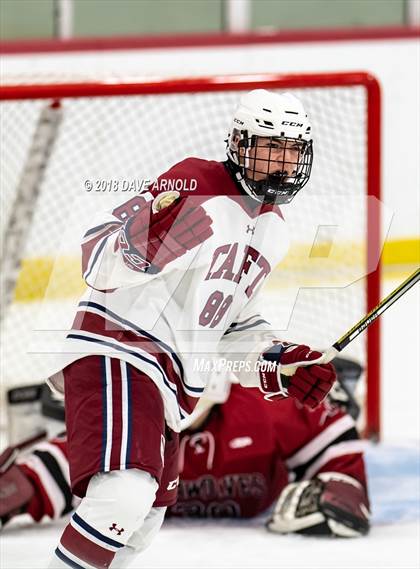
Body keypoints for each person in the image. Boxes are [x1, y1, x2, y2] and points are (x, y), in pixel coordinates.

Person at [42, 89, 338, 568]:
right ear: (239, 143)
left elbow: (233, 328)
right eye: (268, 147)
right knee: (123, 493)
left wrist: (279, 361)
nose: (280, 161)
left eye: (291, 150)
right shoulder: (193, 180)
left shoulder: (273, 229)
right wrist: (138, 245)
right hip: (118, 350)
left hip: (173, 383)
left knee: (141, 524)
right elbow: (96, 259)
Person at [0, 357, 369, 539]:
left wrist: (337, 488)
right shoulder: (129, 421)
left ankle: (342, 386)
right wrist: (18, 485)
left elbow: (335, 447)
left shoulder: (260, 408)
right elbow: (58, 466)